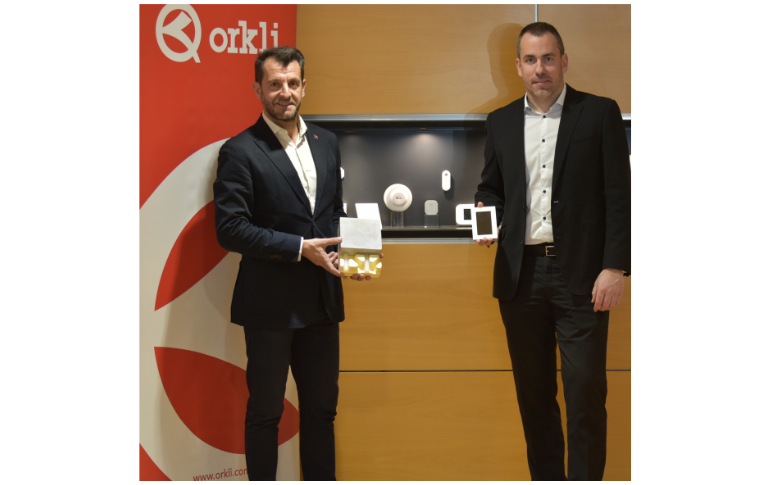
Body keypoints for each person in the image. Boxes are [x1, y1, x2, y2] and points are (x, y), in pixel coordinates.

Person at [474, 22, 631, 481]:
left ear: (563, 61)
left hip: (582, 278)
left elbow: (619, 195)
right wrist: (485, 213)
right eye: (530, 60)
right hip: (520, 278)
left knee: (585, 394)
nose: (539, 68)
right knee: (534, 398)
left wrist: (616, 267)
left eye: (547, 58)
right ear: (518, 66)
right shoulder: (501, 122)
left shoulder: (598, 113)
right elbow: (491, 187)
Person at [213, 46, 375, 481]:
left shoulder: (327, 142)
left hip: (322, 302)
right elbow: (230, 229)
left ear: (304, 86)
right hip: (269, 306)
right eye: (274, 84)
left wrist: (356, 255)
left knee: (322, 412)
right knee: (266, 414)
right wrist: (300, 247)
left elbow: (332, 213)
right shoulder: (239, 150)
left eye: (292, 83)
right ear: (258, 89)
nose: (285, 92)